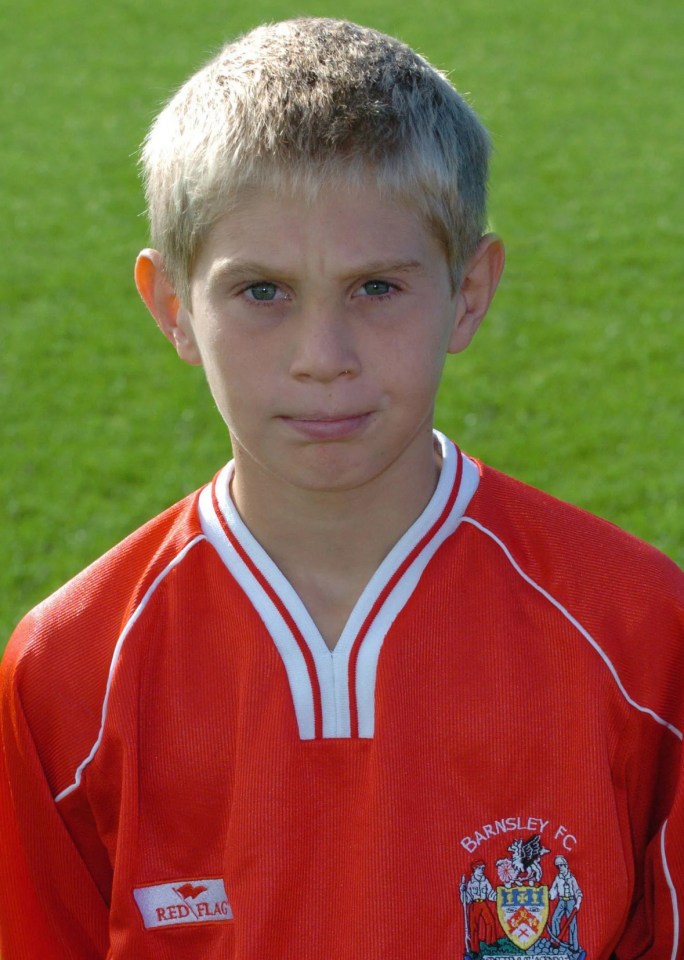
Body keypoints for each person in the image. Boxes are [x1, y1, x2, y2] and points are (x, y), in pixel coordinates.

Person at [0, 17, 682, 960]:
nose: (323, 360)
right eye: (263, 293)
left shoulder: (640, 633)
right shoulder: (72, 670)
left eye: (377, 288)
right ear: (171, 306)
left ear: (468, 292)